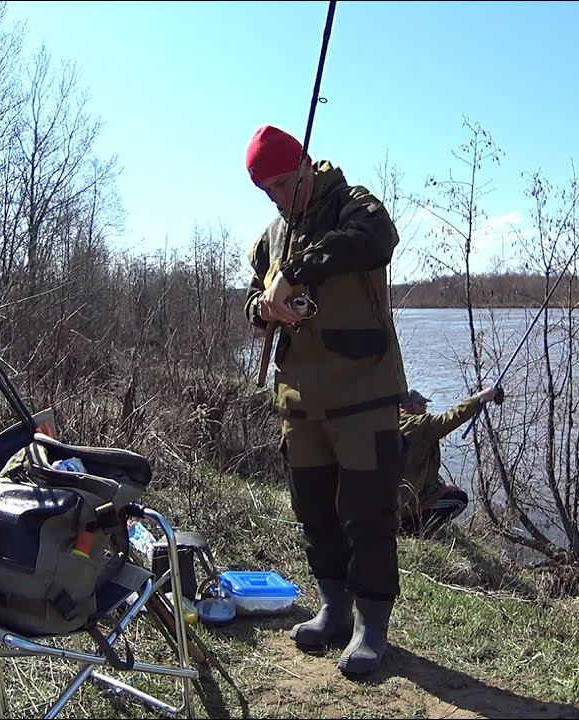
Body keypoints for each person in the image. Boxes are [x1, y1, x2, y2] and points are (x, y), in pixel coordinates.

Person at [243, 124, 407, 676]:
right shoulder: (272, 236)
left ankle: (371, 627)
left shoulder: (355, 207)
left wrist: (293, 272)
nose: (278, 198)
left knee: (368, 516)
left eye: (284, 184)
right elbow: (251, 296)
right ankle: (334, 609)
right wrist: (264, 308)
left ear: (306, 167)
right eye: (267, 191)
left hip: (363, 395)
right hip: (300, 402)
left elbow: (375, 241)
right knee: (314, 512)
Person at [398, 386, 503, 536]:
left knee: (444, 488)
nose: (426, 410)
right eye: (424, 406)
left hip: (387, 504)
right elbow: (452, 417)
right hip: (404, 505)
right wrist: (480, 398)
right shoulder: (420, 425)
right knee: (459, 500)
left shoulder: (391, 423)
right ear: (415, 406)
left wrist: (440, 486)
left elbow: (419, 470)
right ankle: (415, 530)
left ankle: (404, 524)